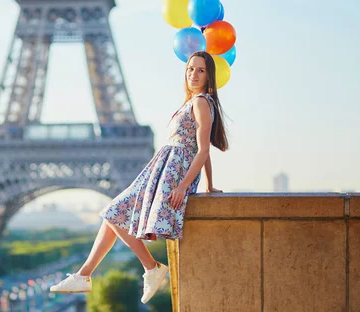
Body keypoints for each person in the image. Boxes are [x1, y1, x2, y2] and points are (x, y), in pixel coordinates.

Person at [49, 51, 229, 304]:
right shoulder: (193, 103)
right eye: (190, 69)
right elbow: (203, 149)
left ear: (209, 75)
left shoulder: (201, 102)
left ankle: (148, 268)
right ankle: (84, 275)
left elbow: (203, 150)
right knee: (112, 215)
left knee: (114, 212)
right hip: (163, 170)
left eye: (200, 70)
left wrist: (183, 186)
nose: (194, 74)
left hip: (172, 175)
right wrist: (208, 185)